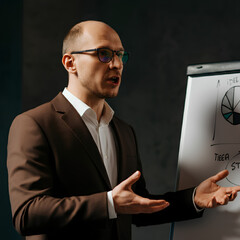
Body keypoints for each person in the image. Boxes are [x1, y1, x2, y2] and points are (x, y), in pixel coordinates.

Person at [7, 20, 240, 240]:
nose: (117, 64)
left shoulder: (123, 130)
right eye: (104, 54)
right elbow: (27, 213)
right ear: (70, 63)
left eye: (120, 55)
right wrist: (109, 203)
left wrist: (193, 199)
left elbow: (136, 205)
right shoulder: (34, 124)